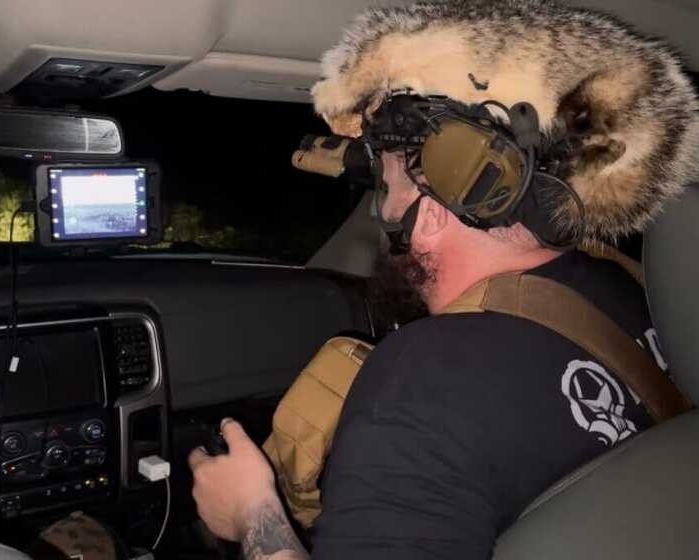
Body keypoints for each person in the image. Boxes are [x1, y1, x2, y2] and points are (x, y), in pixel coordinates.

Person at [189, 1, 699, 558]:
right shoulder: (625, 284)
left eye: (387, 189)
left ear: (430, 215)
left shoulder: (419, 388)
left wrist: (252, 513)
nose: (382, 214)